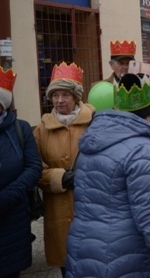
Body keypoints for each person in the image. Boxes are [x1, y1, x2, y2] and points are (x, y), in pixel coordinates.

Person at [65, 74, 150, 278]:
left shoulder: (91, 141)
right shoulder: (143, 150)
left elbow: (105, 197)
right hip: (125, 255)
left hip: (84, 248)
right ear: (147, 115)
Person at [33, 62, 95, 276]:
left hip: (91, 204)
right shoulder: (42, 130)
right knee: (66, 262)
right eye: (55, 95)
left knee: (93, 259)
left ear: (76, 97)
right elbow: (35, 167)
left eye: (65, 95)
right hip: (58, 207)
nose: (60, 101)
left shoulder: (94, 123)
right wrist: (59, 178)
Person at [0, 68, 42, 278]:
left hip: (13, 217)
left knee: (9, 271)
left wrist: (7, 196)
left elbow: (33, 167)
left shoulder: (20, 129)